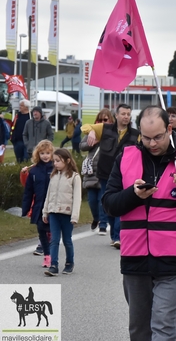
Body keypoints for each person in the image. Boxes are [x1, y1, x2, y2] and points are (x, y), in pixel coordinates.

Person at [102, 105, 176, 341]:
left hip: (174, 259)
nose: (152, 143)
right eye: (146, 137)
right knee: (139, 331)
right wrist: (133, 195)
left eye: (158, 137)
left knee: (163, 325)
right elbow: (109, 204)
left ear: (170, 128)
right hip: (135, 257)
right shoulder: (126, 157)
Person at [82, 104, 139, 248]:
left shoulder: (134, 133)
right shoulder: (105, 129)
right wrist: (92, 132)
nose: (126, 116)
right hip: (105, 173)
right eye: (123, 113)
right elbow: (85, 127)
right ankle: (114, 234)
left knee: (121, 204)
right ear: (117, 116)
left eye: (128, 114)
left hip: (125, 174)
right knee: (107, 204)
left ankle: (117, 236)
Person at [42, 148, 81, 276]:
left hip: (67, 214)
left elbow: (77, 198)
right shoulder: (53, 176)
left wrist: (74, 216)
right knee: (54, 239)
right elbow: (48, 195)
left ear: (67, 161)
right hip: (53, 213)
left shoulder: (74, 177)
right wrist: (45, 212)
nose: (55, 163)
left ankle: (69, 263)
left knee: (67, 240)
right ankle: (53, 265)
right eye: (54, 161)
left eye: (58, 161)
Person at [21, 140, 54, 268]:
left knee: (51, 230)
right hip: (39, 206)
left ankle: (51, 253)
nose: (45, 156)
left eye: (48, 153)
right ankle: (47, 256)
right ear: (37, 154)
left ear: (52, 154)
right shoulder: (34, 171)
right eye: (42, 153)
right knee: (41, 229)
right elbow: (28, 191)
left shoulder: (56, 168)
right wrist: (26, 208)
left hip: (53, 206)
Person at [80, 110, 114, 231]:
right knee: (92, 201)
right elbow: (82, 146)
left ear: (110, 121)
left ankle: (103, 224)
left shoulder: (112, 133)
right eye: (100, 120)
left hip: (105, 171)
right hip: (91, 172)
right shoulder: (92, 132)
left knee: (102, 199)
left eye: (105, 120)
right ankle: (96, 218)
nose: (102, 122)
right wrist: (93, 141)